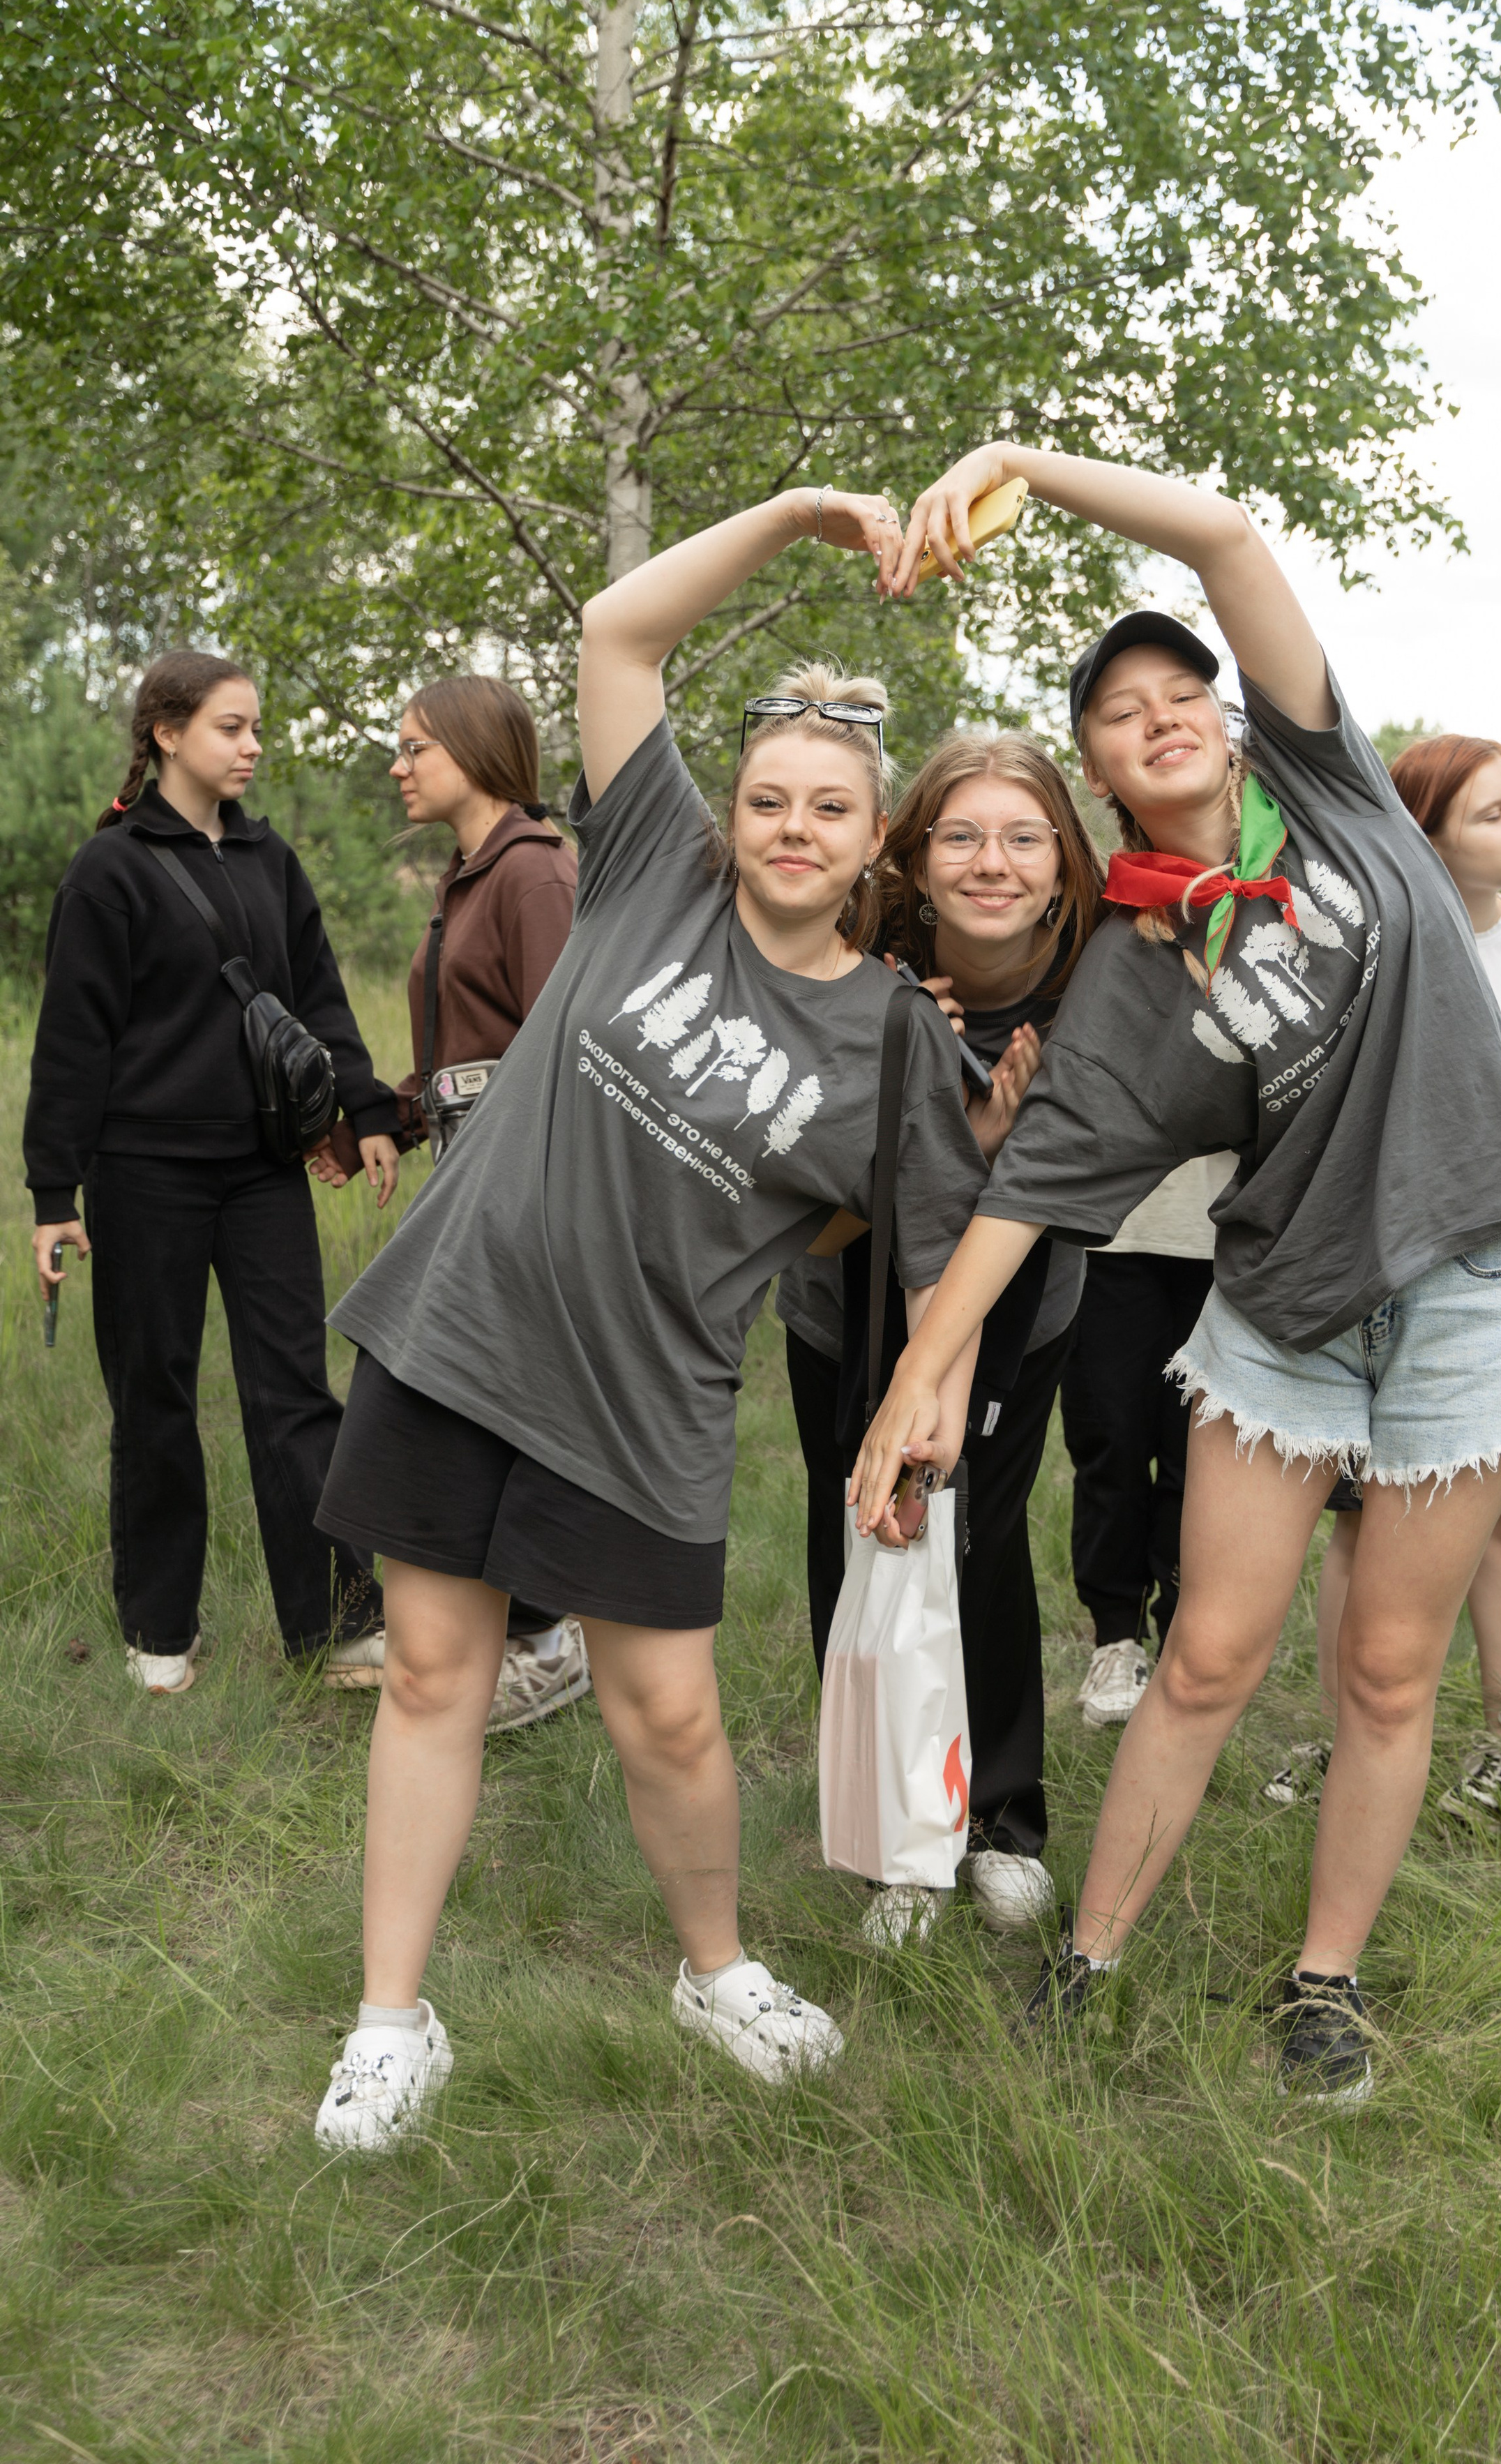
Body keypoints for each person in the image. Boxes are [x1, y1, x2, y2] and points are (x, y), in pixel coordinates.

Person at [852, 440, 1501, 2104]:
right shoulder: (1130, 972)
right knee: (1204, 1652)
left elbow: (1217, 532)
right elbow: (1035, 1182)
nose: (1158, 708)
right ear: (1098, 772)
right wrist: (926, 1361)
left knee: (1384, 1666)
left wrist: (1020, 471)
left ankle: (1320, 1980)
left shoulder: (1328, 786)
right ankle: (1089, 1953)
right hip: (1282, 1312)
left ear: (1219, 701)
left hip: (1473, 1289)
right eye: (1115, 710)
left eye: (1173, 682)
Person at [308, 485, 988, 2151]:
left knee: (667, 1712)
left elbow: (946, 1240)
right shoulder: (641, 874)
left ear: (872, 840)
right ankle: (390, 2020)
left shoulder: (893, 1037)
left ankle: (715, 1972)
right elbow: (620, 634)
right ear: (731, 808)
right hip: (458, 1336)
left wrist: (926, 1385)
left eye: (830, 806)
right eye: (767, 795)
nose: (790, 824)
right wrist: (802, 514)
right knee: (429, 1676)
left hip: (644, 1403)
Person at [24, 649, 402, 1695]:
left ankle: (334, 1626)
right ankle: (161, 1630)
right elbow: (73, 1042)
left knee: (293, 1394)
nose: (252, 746)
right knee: (155, 1397)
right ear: (166, 733)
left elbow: (317, 997)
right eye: (232, 727)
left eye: (256, 728)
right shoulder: (109, 870)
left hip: (261, 1173)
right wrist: (54, 1195)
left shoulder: (271, 858)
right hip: (142, 1173)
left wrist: (363, 1111)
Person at [778, 726, 1103, 1943]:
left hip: (1026, 1304)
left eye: (1024, 837)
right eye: (960, 835)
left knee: (984, 1539)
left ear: (1065, 862)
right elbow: (805, 1196)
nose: (992, 862)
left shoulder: (1097, 984)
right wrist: (957, 1142)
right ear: (910, 859)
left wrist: (1001, 1161)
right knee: (861, 1532)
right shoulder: (859, 973)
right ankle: (893, 1847)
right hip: (846, 1303)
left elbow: (1085, 1179)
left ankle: (1002, 1815)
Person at [1265, 735, 1501, 1826]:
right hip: (1385, 1281)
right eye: (1495, 813)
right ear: (1424, 838)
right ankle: (1336, 1732)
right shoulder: (1372, 949)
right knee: (1361, 1524)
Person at [312, 670, 591, 1736]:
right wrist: (375, 1119)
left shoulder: (534, 874)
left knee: (508, 1408)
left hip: (525, 1199)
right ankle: (492, 1626)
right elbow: (472, 1059)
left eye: (414, 746)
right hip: (468, 1182)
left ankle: (549, 1639)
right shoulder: (469, 875)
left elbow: (564, 1055)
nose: (398, 765)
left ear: (473, 751)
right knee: (466, 1406)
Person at [1059, 1155, 1235, 1727]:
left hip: (1224, 1236)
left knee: (1202, 1463)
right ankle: (1116, 1642)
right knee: (1110, 1444)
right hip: (1109, 1231)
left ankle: (1186, 1648)